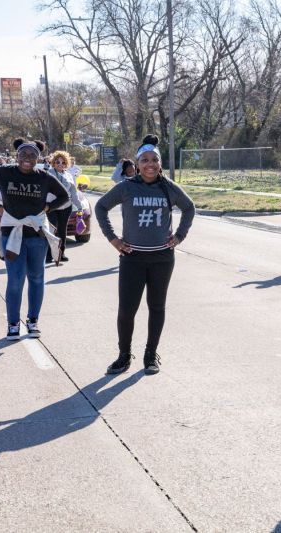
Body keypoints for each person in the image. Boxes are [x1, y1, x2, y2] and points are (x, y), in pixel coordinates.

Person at [95, 134, 195, 376]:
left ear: (159, 163)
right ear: (137, 165)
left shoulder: (168, 187)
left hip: (162, 258)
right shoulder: (127, 187)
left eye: (154, 160)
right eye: (144, 160)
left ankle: (150, 355)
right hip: (132, 258)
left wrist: (180, 236)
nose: (150, 164)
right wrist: (113, 239)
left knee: (157, 307)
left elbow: (189, 207)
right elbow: (100, 207)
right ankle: (123, 356)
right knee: (127, 309)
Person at [0, 139, 70, 341]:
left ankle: (33, 321)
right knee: (15, 280)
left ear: (38, 158)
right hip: (12, 233)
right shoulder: (4, 172)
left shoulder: (43, 177)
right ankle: (13, 324)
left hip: (37, 235)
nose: (27, 159)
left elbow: (64, 196)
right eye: (23, 155)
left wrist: (47, 208)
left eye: (32, 155)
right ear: (16, 156)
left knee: (36, 278)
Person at [44, 150, 85, 263]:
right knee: (51, 231)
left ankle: (61, 254)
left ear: (66, 163)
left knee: (62, 231)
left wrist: (79, 207)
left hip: (66, 207)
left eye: (63, 162)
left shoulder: (69, 175)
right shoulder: (48, 174)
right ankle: (48, 255)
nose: (60, 164)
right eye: (57, 162)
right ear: (53, 162)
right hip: (52, 207)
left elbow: (73, 192)